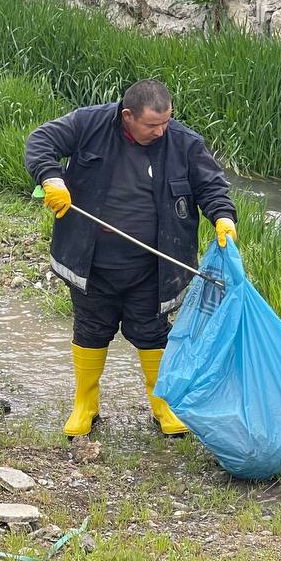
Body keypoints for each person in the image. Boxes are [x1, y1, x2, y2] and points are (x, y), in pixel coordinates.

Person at [24, 78, 237, 437]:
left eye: (166, 121)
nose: (161, 131)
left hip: (154, 266)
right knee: (91, 329)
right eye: (152, 125)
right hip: (90, 261)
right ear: (127, 116)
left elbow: (212, 186)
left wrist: (224, 218)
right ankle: (85, 405)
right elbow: (40, 141)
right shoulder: (89, 123)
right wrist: (52, 180)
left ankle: (163, 406)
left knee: (152, 331)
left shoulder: (184, 143)